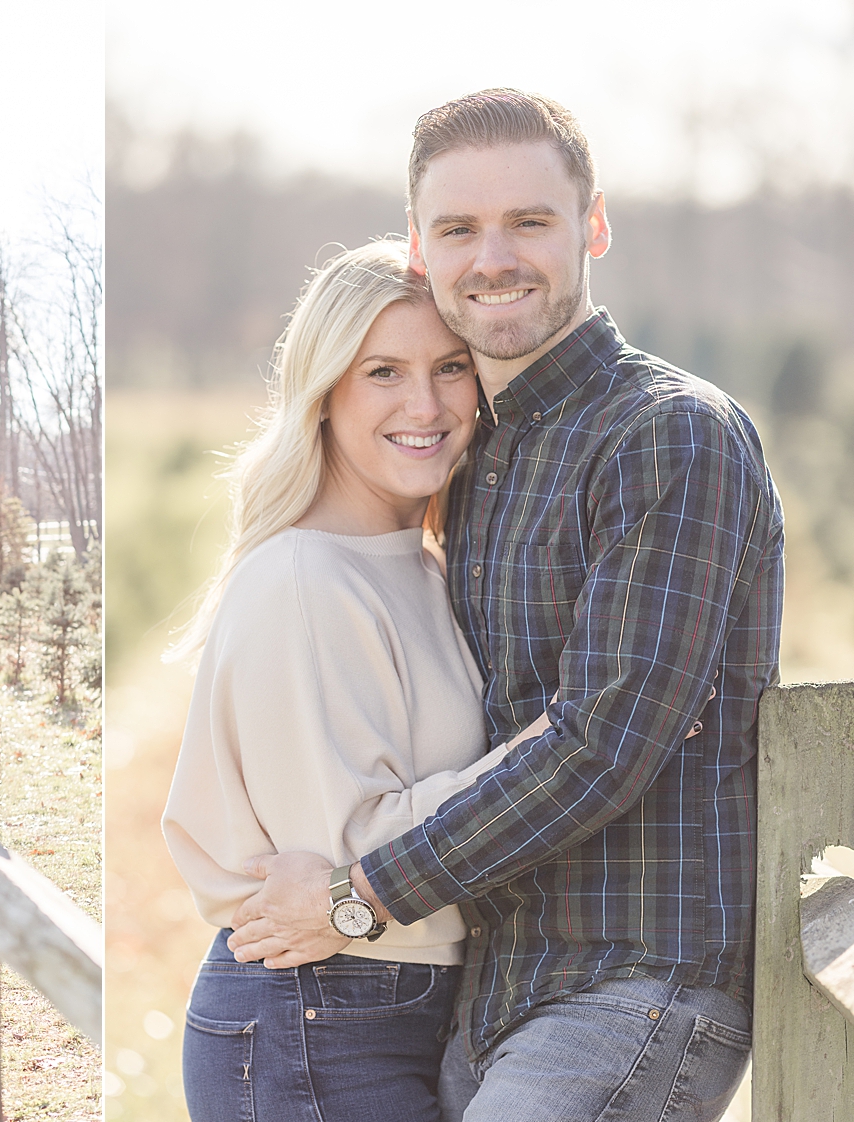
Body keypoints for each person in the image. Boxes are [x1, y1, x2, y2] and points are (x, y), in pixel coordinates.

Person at [228, 89, 784, 1122]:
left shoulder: (668, 435)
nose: (494, 257)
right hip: (492, 993)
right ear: (420, 245)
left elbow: (602, 742)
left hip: (637, 984)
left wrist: (357, 896)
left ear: (594, 227)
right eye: (458, 229)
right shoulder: (479, 456)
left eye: (529, 221)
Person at [162, 240, 551, 1120]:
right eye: (383, 371)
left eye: (450, 367)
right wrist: (560, 753)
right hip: (320, 1015)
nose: (426, 404)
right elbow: (345, 857)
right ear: (325, 391)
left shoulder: (422, 562)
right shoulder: (305, 578)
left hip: (388, 1006)